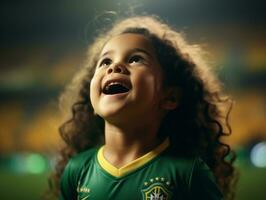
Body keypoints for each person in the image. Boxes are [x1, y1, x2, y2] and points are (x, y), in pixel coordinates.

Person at [51, 16, 237, 200]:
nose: (114, 66)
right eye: (105, 62)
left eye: (135, 59)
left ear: (169, 97)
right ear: (93, 102)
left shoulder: (188, 173)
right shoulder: (77, 170)